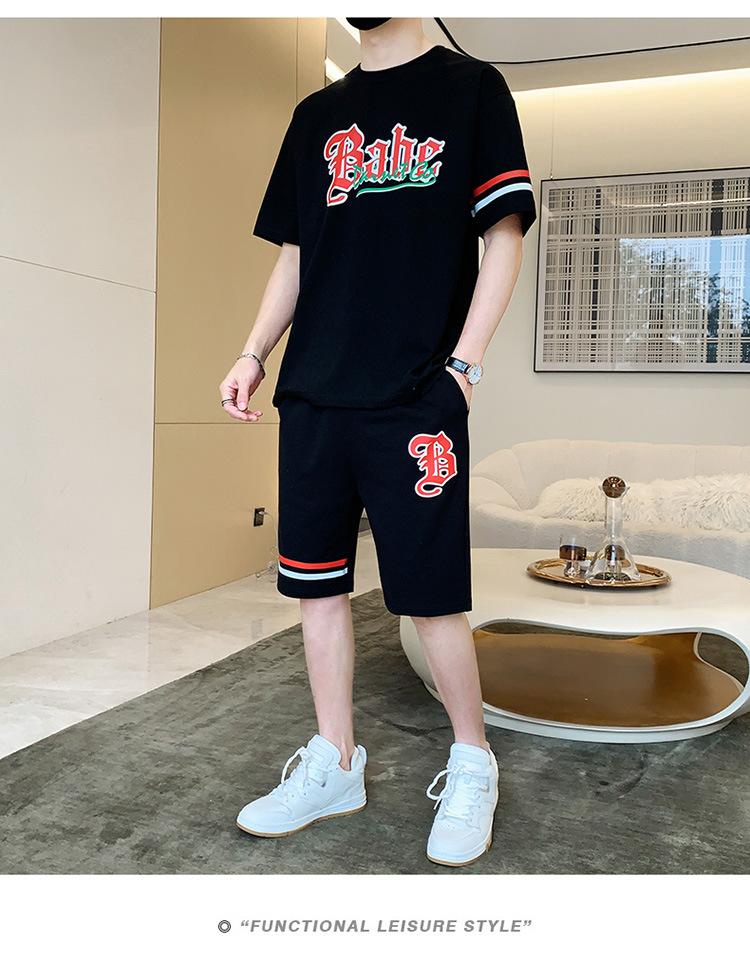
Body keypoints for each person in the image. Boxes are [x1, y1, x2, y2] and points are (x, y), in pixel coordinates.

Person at [220, 17, 536, 867]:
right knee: (315, 587)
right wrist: (253, 352)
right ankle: (336, 761)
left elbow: (503, 237)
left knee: (431, 595)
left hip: (415, 396)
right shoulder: (315, 116)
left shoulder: (473, 90)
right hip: (314, 393)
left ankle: (472, 759)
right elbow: (296, 254)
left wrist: (462, 369)